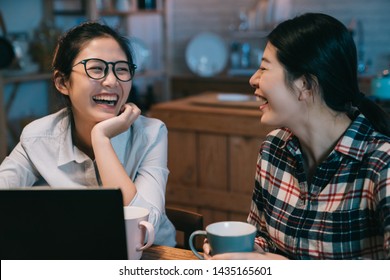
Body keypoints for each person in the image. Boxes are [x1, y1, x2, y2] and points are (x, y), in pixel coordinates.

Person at [204, 13, 390, 259]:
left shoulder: (381, 164)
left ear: (304, 84)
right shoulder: (273, 148)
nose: (253, 80)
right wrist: (246, 252)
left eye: (263, 68)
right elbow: (265, 238)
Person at [0, 22, 176, 246]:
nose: (112, 81)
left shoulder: (151, 133)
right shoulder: (37, 137)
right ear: (63, 82)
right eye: (96, 68)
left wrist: (101, 140)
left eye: (121, 69)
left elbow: (141, 231)